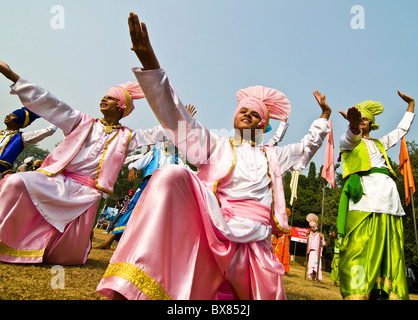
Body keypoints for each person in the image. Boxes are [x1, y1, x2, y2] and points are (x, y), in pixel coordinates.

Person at [96, 12, 331, 300]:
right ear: (235, 116)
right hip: (213, 227)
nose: (246, 113)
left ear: (261, 124)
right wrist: (152, 68)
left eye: (254, 113)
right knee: (171, 174)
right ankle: (133, 284)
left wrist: (323, 118)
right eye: (243, 109)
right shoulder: (216, 146)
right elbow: (178, 118)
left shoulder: (273, 156)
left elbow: (307, 146)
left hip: (254, 242)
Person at [0, 60, 165, 265]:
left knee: (67, 257)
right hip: (56, 182)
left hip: (86, 194)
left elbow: (156, 133)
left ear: (121, 105)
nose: (104, 99)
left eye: (111, 98)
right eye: (104, 96)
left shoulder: (128, 137)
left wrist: (179, 120)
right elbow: (51, 103)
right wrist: (13, 76)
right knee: (14, 182)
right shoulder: (81, 121)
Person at [337, 93, 415, 300]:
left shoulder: (380, 144)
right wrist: (353, 127)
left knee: (390, 249)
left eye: (364, 119)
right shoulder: (350, 142)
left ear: (371, 124)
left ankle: (385, 292)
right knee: (357, 248)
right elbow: (349, 138)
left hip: (389, 201)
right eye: (357, 118)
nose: (360, 121)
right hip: (365, 200)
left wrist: (411, 106)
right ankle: (357, 292)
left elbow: (401, 131)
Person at [0, 106, 56, 176]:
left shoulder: (22, 137)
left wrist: (56, 115)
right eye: (9, 114)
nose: (8, 116)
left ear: (19, 123)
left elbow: (50, 130)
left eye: (13, 116)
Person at [306, 213, 325, 282]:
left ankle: (318, 278)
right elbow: (308, 241)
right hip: (311, 251)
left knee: (316, 265)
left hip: (317, 252)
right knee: (311, 265)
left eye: (313, 227)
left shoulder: (320, 235)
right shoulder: (310, 234)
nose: (312, 228)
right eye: (311, 227)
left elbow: (324, 243)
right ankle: (312, 277)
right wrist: (307, 235)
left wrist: (321, 239)